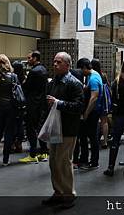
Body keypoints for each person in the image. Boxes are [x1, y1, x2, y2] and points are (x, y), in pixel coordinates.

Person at [42, 52, 83, 209]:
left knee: (64, 161)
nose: (55, 64)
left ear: (67, 65)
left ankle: (68, 194)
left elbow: (79, 106)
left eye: (59, 62)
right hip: (54, 128)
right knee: (53, 161)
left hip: (67, 129)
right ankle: (58, 192)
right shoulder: (52, 83)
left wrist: (59, 103)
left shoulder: (74, 83)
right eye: (54, 62)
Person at [20, 51, 49, 163]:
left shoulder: (33, 71)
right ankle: (44, 153)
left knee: (31, 129)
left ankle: (33, 154)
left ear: (35, 58)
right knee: (41, 128)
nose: (28, 60)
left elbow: (26, 87)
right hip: (42, 104)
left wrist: (24, 81)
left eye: (29, 58)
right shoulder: (44, 70)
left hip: (32, 104)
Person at [75, 58, 102, 170]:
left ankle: (94, 162)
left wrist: (86, 113)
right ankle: (86, 160)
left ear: (85, 68)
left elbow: (93, 98)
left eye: (81, 70)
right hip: (92, 111)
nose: (81, 72)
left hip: (93, 112)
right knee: (88, 136)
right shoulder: (92, 75)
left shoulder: (94, 78)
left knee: (92, 137)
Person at [91, 58, 110, 149]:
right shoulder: (103, 75)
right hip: (104, 99)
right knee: (104, 121)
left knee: (94, 121)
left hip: (96, 97)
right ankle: (105, 141)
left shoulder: (92, 75)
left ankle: (93, 141)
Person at [11, 61, 26, 154]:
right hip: (22, 105)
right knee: (20, 124)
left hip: (13, 105)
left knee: (12, 125)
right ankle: (19, 144)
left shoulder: (12, 78)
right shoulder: (24, 80)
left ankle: (12, 144)